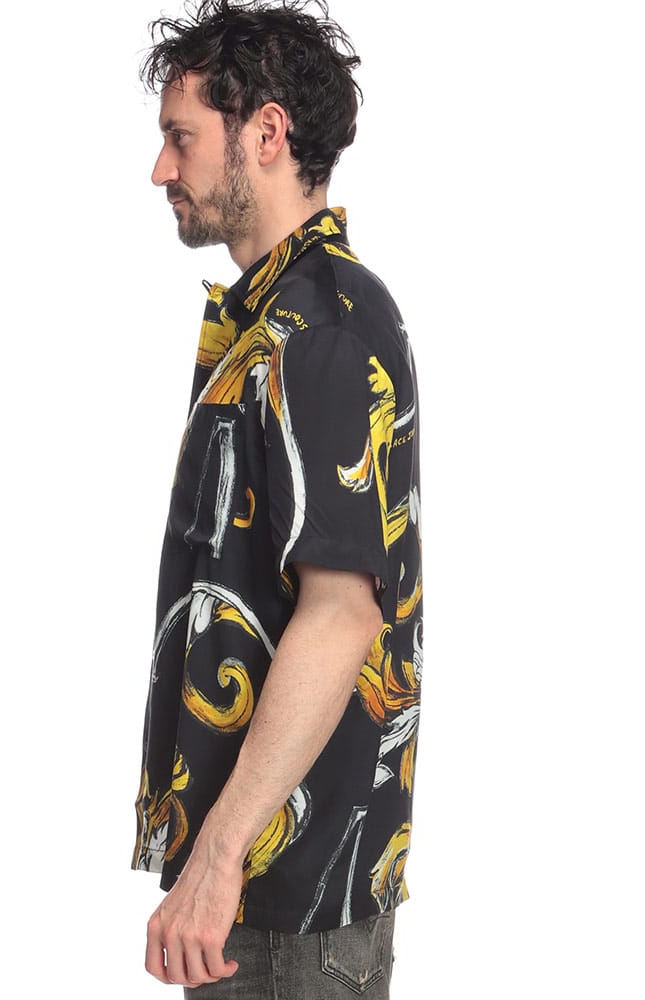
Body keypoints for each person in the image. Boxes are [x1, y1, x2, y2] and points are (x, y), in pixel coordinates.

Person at [130, 2, 423, 995]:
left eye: (181, 138)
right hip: (253, 893)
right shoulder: (275, 318)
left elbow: (342, 615)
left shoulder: (322, 330)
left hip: (286, 902)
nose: (161, 169)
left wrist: (217, 863)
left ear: (265, 133)